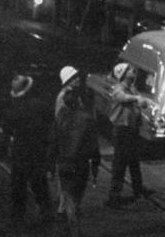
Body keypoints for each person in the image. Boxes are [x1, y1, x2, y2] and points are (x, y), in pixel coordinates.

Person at [0, 73, 53, 225]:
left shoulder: (13, 111)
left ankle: (18, 216)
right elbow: (50, 123)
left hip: (20, 152)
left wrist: (2, 152)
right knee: (39, 183)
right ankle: (46, 211)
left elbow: (6, 133)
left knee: (18, 186)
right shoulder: (41, 106)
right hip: (38, 150)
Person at [49, 79, 101, 237]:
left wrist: (50, 166)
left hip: (64, 163)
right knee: (76, 199)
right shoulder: (87, 119)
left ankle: (69, 227)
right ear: (79, 101)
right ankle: (75, 229)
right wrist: (95, 166)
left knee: (68, 196)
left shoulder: (60, 118)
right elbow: (93, 146)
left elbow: (53, 143)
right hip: (80, 164)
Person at [106, 62, 155, 208]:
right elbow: (120, 96)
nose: (133, 71)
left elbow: (135, 101)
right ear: (123, 74)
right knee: (120, 162)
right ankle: (114, 195)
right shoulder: (119, 88)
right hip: (122, 129)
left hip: (131, 129)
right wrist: (137, 99)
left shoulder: (132, 88)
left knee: (134, 161)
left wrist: (143, 102)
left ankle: (138, 189)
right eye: (130, 70)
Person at [54, 65, 83, 220]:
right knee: (66, 176)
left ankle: (63, 205)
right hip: (67, 141)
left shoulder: (72, 96)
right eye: (75, 78)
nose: (79, 79)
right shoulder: (64, 97)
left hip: (70, 140)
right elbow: (60, 121)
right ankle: (63, 208)